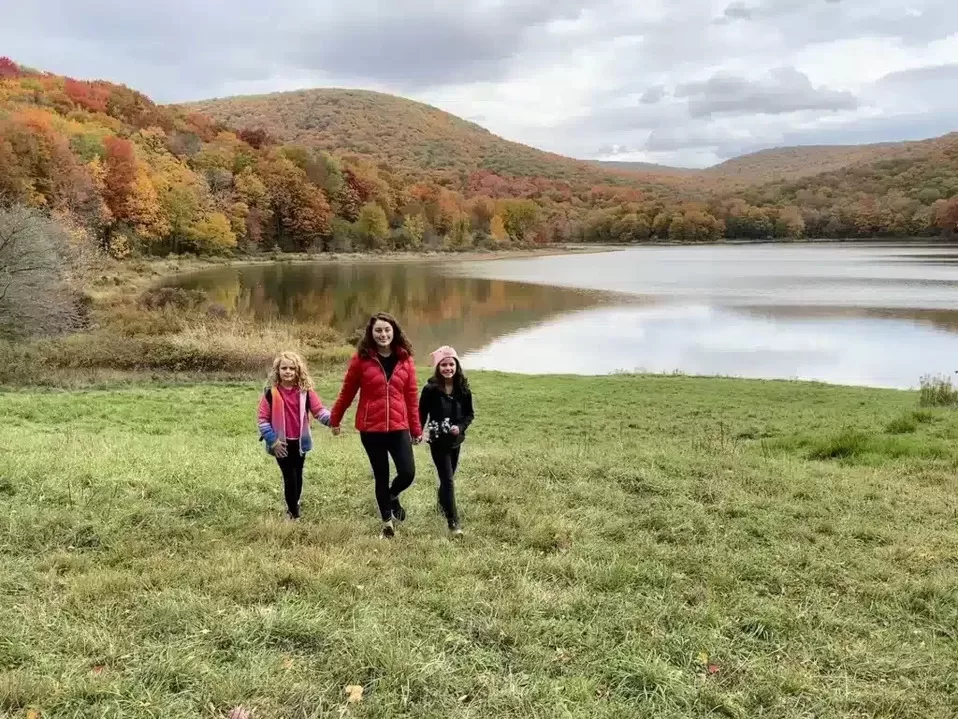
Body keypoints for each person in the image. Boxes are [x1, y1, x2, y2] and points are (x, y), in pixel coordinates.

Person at [329, 312, 422, 538]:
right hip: (371, 429)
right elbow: (347, 392)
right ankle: (387, 524)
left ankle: (392, 496)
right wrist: (335, 418)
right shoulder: (361, 360)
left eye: (387, 330)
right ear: (371, 334)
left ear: (395, 332)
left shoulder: (405, 359)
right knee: (381, 475)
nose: (383, 334)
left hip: (399, 427)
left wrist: (416, 428)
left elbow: (411, 396)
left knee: (408, 473)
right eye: (378, 330)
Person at [257, 351, 331, 520]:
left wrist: (332, 420)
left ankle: (294, 503)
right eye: (284, 368)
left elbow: (319, 411)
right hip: (280, 444)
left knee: (297, 474)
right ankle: (293, 513)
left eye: (292, 368)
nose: (288, 371)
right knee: (289, 476)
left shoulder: (305, 392)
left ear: (298, 371)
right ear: (278, 370)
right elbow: (262, 420)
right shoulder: (271, 393)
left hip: (300, 443)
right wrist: (273, 441)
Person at [419, 346, 474, 537]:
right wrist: (417, 432)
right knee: (449, 480)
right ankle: (453, 522)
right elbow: (421, 413)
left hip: (455, 440)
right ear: (438, 367)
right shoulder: (430, 389)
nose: (448, 368)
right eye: (444, 365)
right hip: (437, 440)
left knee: (447, 478)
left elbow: (469, 414)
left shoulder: (463, 389)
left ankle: (441, 504)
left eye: (451, 364)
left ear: (456, 366)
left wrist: (460, 427)